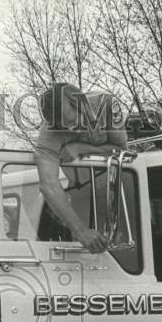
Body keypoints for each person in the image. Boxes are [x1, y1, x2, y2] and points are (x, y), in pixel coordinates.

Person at [33, 82, 129, 253]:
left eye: (72, 121)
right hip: (80, 193)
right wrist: (80, 231)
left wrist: (82, 149)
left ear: (82, 104)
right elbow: (48, 184)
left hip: (119, 190)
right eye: (63, 127)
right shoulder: (48, 133)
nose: (70, 129)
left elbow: (123, 153)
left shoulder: (105, 104)